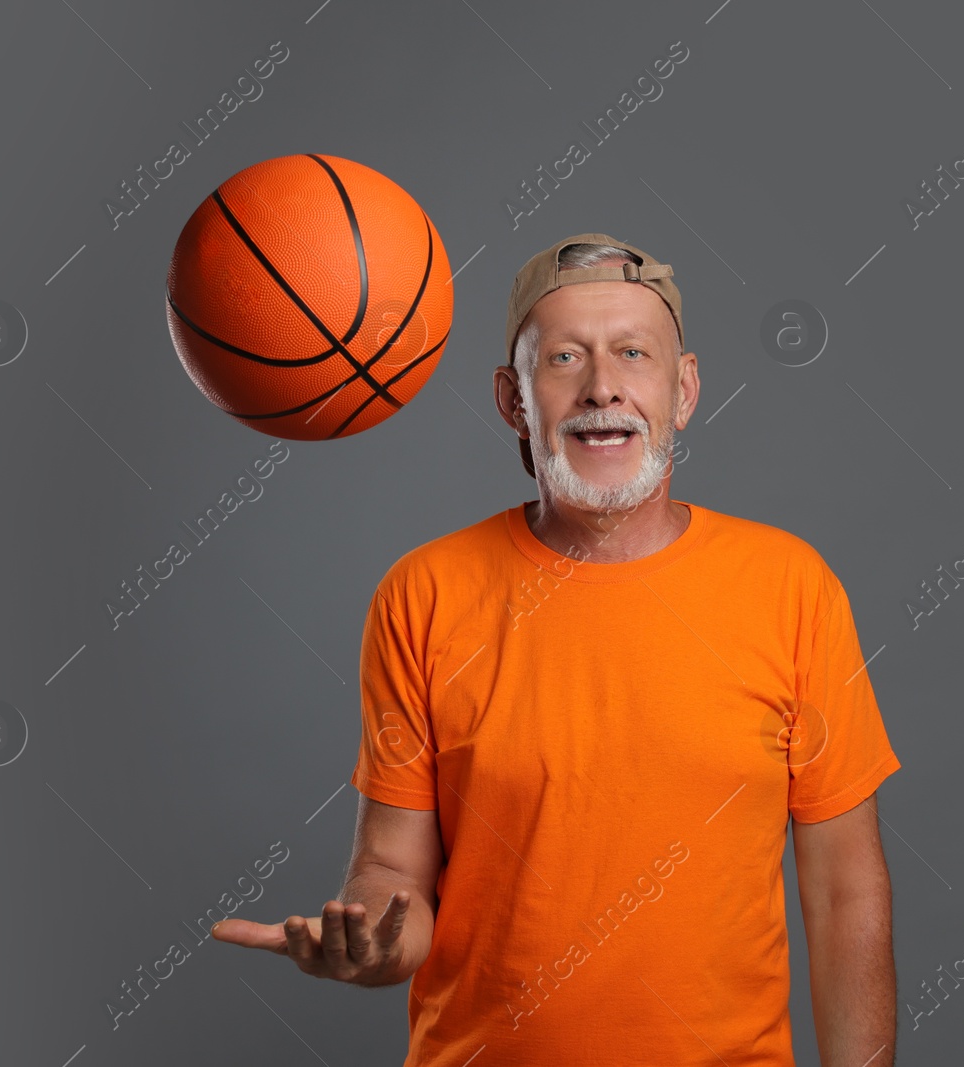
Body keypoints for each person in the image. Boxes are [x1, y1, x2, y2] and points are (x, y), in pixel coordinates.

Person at [213, 233, 903, 1066]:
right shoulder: (424, 593)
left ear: (683, 390)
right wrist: (369, 941)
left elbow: (843, 892)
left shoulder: (791, 586)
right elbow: (393, 871)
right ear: (513, 400)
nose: (602, 386)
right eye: (564, 357)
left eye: (633, 352)